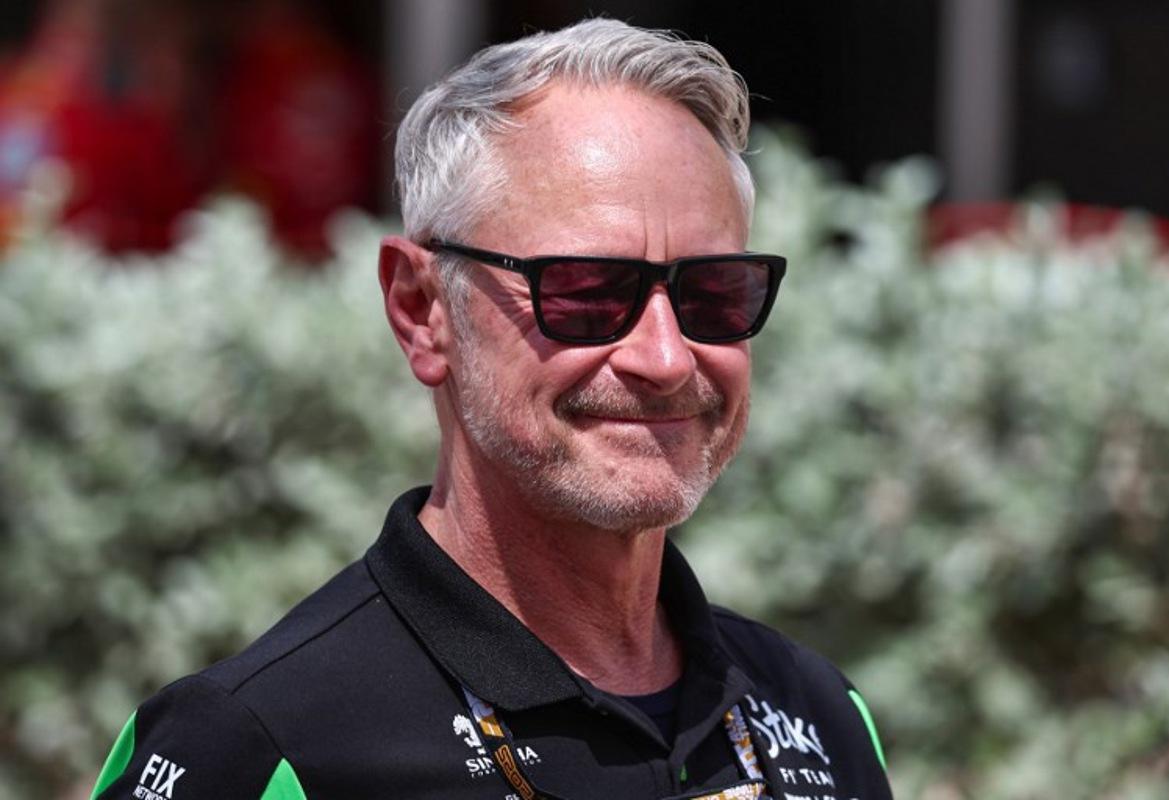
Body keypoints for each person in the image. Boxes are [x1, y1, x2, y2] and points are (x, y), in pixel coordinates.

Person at [91, 19, 893, 800]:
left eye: (715, 294)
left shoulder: (818, 716)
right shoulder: (260, 744)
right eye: (584, 292)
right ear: (421, 309)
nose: (665, 357)